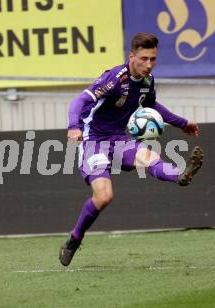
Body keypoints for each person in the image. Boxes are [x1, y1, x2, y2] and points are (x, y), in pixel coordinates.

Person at [58, 32, 204, 266]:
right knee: (104, 196)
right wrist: (73, 126)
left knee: (148, 156)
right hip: (92, 140)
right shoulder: (114, 79)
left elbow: (152, 105)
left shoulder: (147, 82)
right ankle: (75, 238)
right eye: (144, 59)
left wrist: (182, 123)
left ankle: (182, 175)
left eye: (153, 59)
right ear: (132, 56)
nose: (149, 65)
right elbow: (79, 100)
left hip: (118, 139)